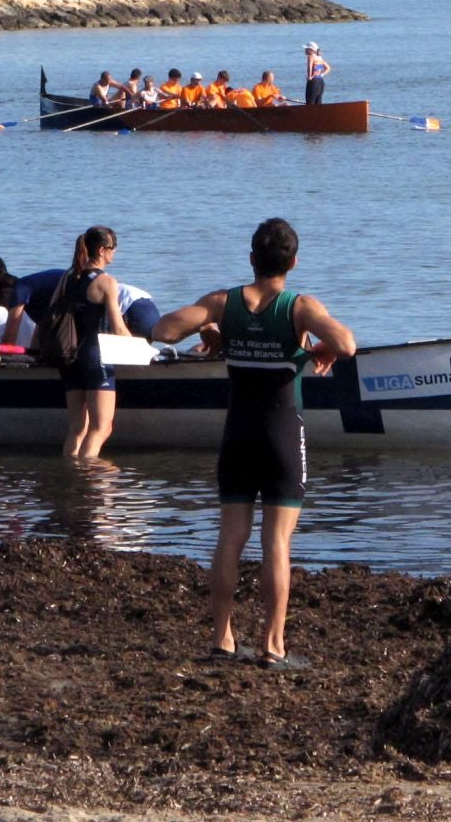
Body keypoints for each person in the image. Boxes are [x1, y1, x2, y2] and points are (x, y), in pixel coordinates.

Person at [151, 218, 356, 671]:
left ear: (251, 259)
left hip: (238, 433)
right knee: (276, 542)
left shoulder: (223, 303)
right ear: (294, 262)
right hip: (282, 433)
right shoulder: (298, 306)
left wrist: (212, 333)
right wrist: (313, 350)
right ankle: (272, 644)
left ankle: (223, 637)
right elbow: (346, 343)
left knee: (230, 537)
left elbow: (163, 331)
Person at [52, 226, 130, 458]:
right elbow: (117, 327)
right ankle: (87, 480)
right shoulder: (106, 282)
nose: (114, 254)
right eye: (113, 249)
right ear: (102, 250)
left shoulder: (67, 277)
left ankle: (71, 475)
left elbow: (52, 314)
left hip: (68, 358)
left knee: (77, 428)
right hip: (95, 357)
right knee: (101, 428)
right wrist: (144, 348)